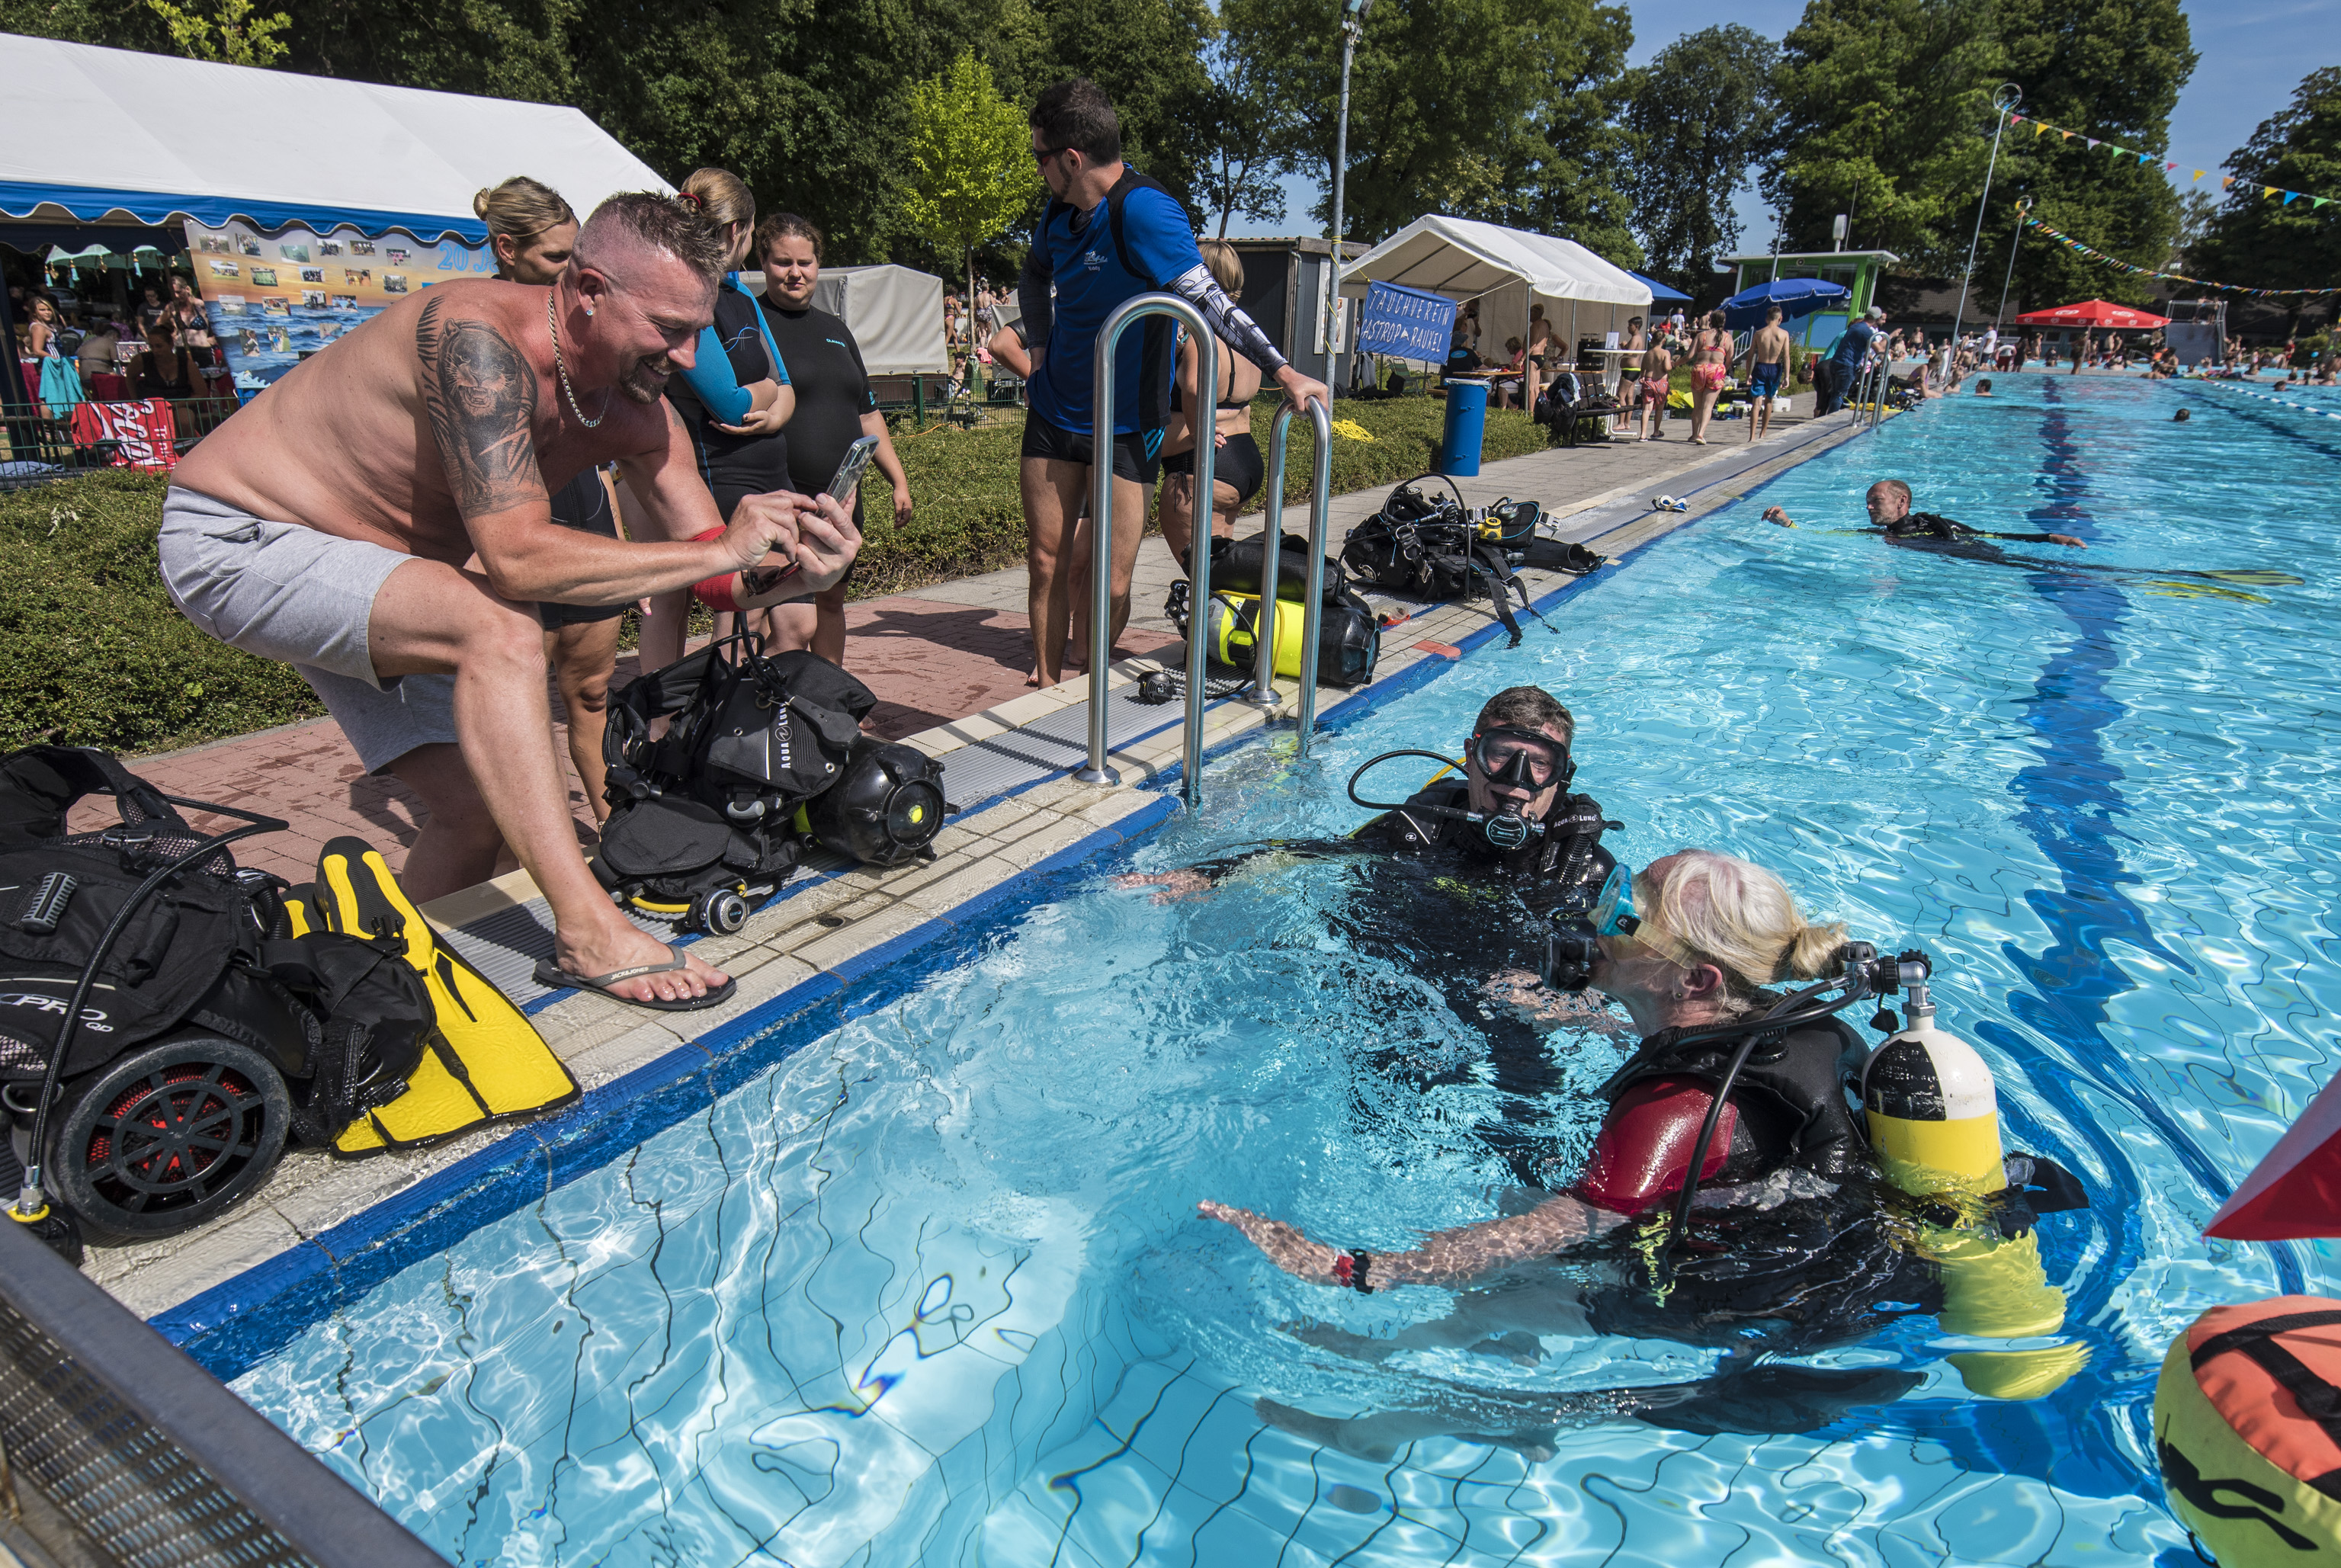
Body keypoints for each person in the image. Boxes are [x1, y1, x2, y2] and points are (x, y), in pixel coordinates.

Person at [162, 190, 861, 1010]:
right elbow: (518, 561)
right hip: (242, 535)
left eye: (699, 327)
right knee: (500, 624)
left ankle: (356, 990)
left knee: (474, 813)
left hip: (383, 564)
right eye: (668, 327)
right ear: (589, 290)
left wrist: (797, 574)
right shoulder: (476, 340)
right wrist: (721, 548)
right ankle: (585, 927)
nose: (686, 353)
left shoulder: (642, 411)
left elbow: (712, 575)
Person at [1203, 848, 1945, 1454]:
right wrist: (1576, 1010)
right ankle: (1397, 1351)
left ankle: (1380, 1431)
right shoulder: (1787, 1018)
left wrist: (1356, 1267)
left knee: (1508, 1287)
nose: (1599, 916)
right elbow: (1685, 1042)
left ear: (1695, 977)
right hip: (1831, 1244)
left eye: (1627, 913)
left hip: (1766, 1305)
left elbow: (1556, 1225)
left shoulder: (1670, 1115)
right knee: (1510, 1212)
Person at [1122, 686, 1618, 1182]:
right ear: (1470, 755)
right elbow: (1317, 851)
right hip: (1401, 992)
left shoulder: (1584, 868)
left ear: (1562, 777)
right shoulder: (1418, 827)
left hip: (1508, 1013)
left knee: (1544, 1149)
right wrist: (1211, 872)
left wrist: (1581, 1002)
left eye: (1539, 765)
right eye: (1501, 756)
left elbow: (1638, 974)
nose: (1515, 783)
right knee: (1384, 1140)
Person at [1016, 79, 1328, 688]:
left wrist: (1283, 370)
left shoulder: (1144, 209)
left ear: (1071, 159)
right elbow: (1033, 278)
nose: (1039, 172)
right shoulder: (1058, 213)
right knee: (1046, 563)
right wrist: (1039, 350)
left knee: (1111, 578)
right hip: (1054, 414)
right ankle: (1048, 688)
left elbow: (1210, 302)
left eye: (1040, 159)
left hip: (1127, 420)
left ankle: (1088, 693)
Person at [476, 175, 627, 826]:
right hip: (507, 530)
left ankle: (618, 830)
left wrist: (620, 549)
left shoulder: (577, 325)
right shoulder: (469, 323)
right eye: (556, 260)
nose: (574, 275)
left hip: (585, 514)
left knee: (591, 693)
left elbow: (604, 450)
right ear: (506, 248)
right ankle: (535, 849)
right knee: (523, 710)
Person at [751, 210, 916, 668]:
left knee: (830, 606)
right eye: (783, 262)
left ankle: (826, 706)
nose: (795, 272)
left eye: (805, 262)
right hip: (782, 496)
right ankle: (773, 720)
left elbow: (866, 412)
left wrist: (897, 480)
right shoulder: (753, 326)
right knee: (781, 621)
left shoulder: (836, 331)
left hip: (840, 500)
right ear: (763, 262)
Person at [1156, 239, 1265, 572]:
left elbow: (1192, 388)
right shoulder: (1247, 333)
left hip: (1202, 467)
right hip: (1243, 458)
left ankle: (1210, 626)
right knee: (1220, 576)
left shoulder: (1199, 332)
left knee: (1204, 581)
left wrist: (1199, 430)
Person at [1763, 480, 2086, 553]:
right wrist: (1787, 523)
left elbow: (1993, 536)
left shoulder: (1934, 525)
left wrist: (2048, 538)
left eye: (1876, 501)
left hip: (1983, 557)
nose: (1869, 507)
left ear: (1902, 501)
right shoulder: (1876, 535)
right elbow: (1824, 536)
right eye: (1868, 502)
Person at [1816, 305, 1883, 415]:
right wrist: (1886, 359)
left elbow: (1860, 348)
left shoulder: (1855, 327)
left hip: (1836, 362)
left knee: (1834, 392)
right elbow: (1878, 349)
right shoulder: (1866, 331)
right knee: (1840, 394)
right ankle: (1831, 419)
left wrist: (1873, 360)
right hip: (1847, 365)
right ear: (1876, 319)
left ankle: (1824, 415)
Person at [127, 317, 207, 403]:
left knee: (184, 414)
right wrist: (135, 400)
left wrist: (175, 405)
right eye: (151, 346)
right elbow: (129, 377)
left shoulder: (187, 364)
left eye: (159, 346)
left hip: (180, 405)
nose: (155, 350)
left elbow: (201, 393)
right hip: (152, 407)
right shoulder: (142, 360)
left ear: (171, 344)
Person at [1741, 305, 1790, 443]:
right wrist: (1787, 376)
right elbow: (1786, 356)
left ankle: (1752, 436)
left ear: (1767, 319)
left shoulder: (1759, 333)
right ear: (1781, 319)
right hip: (1775, 368)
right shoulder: (1784, 334)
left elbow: (1750, 356)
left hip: (1761, 367)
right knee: (1769, 400)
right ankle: (1763, 433)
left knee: (1757, 402)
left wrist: (1748, 374)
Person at [1685, 309, 1732, 443]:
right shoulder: (1728, 338)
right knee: (1708, 406)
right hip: (1716, 371)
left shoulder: (1702, 336)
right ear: (1723, 322)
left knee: (1697, 406)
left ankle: (1694, 435)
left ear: (1710, 321)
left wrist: (1676, 363)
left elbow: (1689, 356)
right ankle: (1701, 434)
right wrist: (1723, 371)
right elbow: (1729, 360)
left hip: (1700, 369)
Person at [1634, 331, 1672, 441]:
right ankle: (1656, 431)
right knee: (1659, 409)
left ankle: (1643, 434)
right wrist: (1673, 364)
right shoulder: (1665, 353)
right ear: (1664, 341)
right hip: (1661, 382)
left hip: (1649, 382)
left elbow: (1643, 368)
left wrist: (1642, 376)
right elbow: (1666, 368)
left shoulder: (1648, 353)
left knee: (1647, 408)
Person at [1492, 336, 1526, 409]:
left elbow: (1514, 370)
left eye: (1509, 348)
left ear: (1512, 347)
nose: (1507, 350)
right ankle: (1511, 406)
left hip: (1519, 379)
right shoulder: (1521, 353)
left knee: (1500, 386)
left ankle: (1503, 408)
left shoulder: (1519, 356)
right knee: (1497, 386)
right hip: (1519, 378)